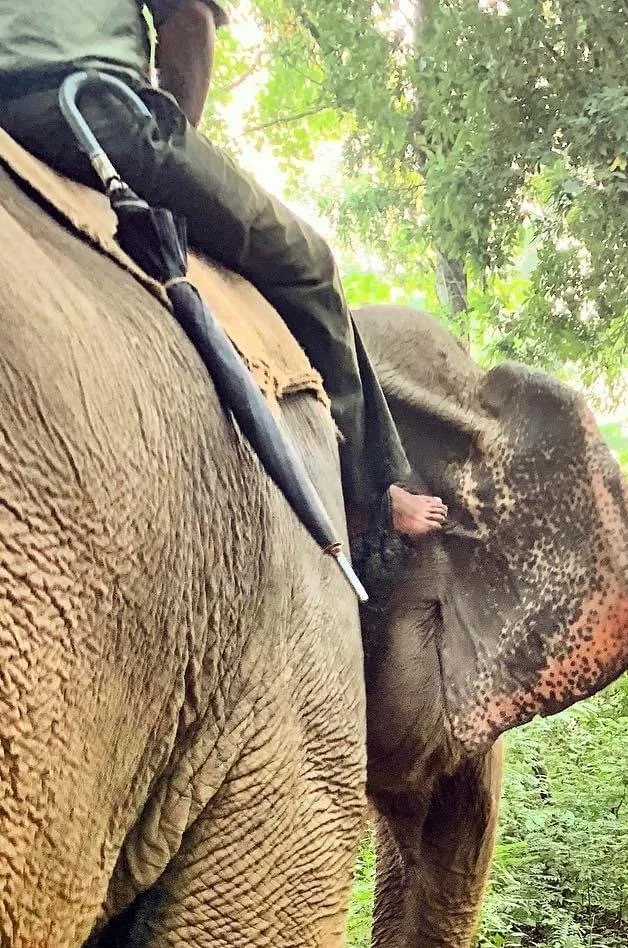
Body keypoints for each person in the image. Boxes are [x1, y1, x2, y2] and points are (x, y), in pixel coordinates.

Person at [0, 0, 446, 543]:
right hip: (91, 111)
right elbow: (189, 18)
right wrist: (174, 132)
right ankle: (373, 501)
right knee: (309, 264)